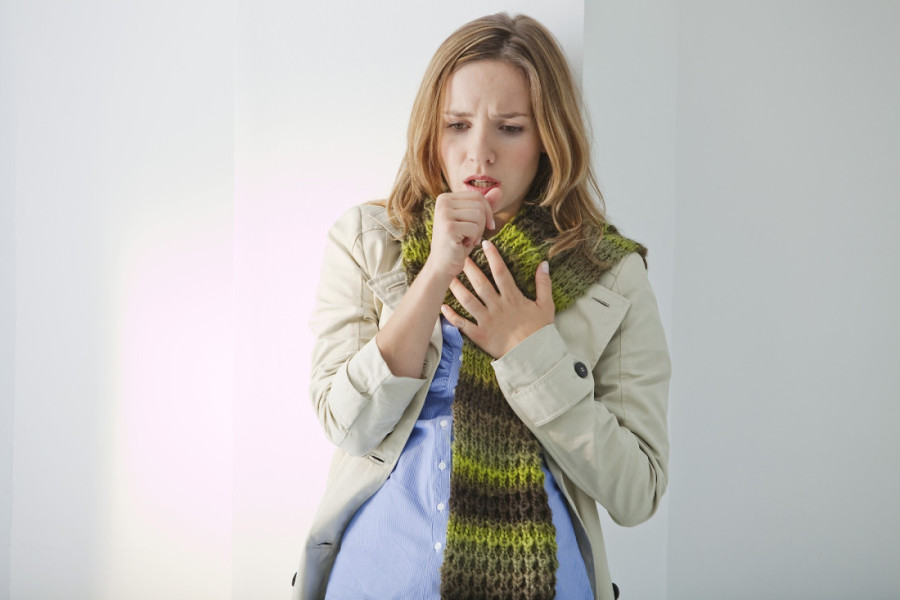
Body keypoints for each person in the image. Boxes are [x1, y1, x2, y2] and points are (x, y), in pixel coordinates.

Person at [290, 13, 670, 600]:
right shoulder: (368, 241)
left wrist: (531, 352)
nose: (479, 154)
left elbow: (637, 491)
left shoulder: (611, 274)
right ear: (429, 132)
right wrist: (434, 274)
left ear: (549, 137)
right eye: (458, 125)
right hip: (376, 577)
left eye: (510, 128)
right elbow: (348, 424)